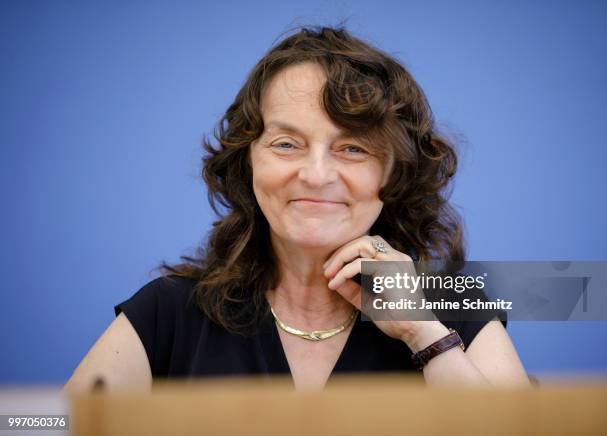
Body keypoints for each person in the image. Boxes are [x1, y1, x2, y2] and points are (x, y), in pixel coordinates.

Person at [63, 25, 531, 394]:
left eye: (353, 149)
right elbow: (38, 425)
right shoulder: (170, 311)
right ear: (249, 161)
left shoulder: (453, 303)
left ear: (394, 175)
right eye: (287, 144)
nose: (316, 174)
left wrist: (424, 335)